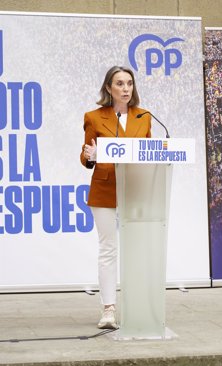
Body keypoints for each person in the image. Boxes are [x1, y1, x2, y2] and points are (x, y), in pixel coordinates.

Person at [80, 65, 151, 329]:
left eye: (129, 84)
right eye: (119, 83)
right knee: (108, 248)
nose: (125, 88)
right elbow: (86, 155)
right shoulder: (94, 117)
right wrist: (90, 156)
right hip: (105, 188)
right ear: (108, 88)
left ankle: (139, 305)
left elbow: (149, 153)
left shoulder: (144, 117)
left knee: (137, 249)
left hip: (135, 189)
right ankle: (108, 309)